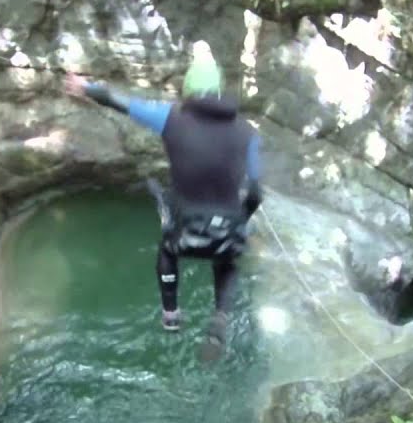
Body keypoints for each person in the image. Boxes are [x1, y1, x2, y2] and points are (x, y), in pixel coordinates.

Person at [63, 41, 263, 360]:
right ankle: (221, 317)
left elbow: (123, 102)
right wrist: (241, 220)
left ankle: (171, 315)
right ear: (221, 91)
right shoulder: (249, 133)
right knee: (227, 260)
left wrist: (85, 87)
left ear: (186, 90)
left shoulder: (170, 117)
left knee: (168, 251)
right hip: (226, 229)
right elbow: (255, 193)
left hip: (186, 231)